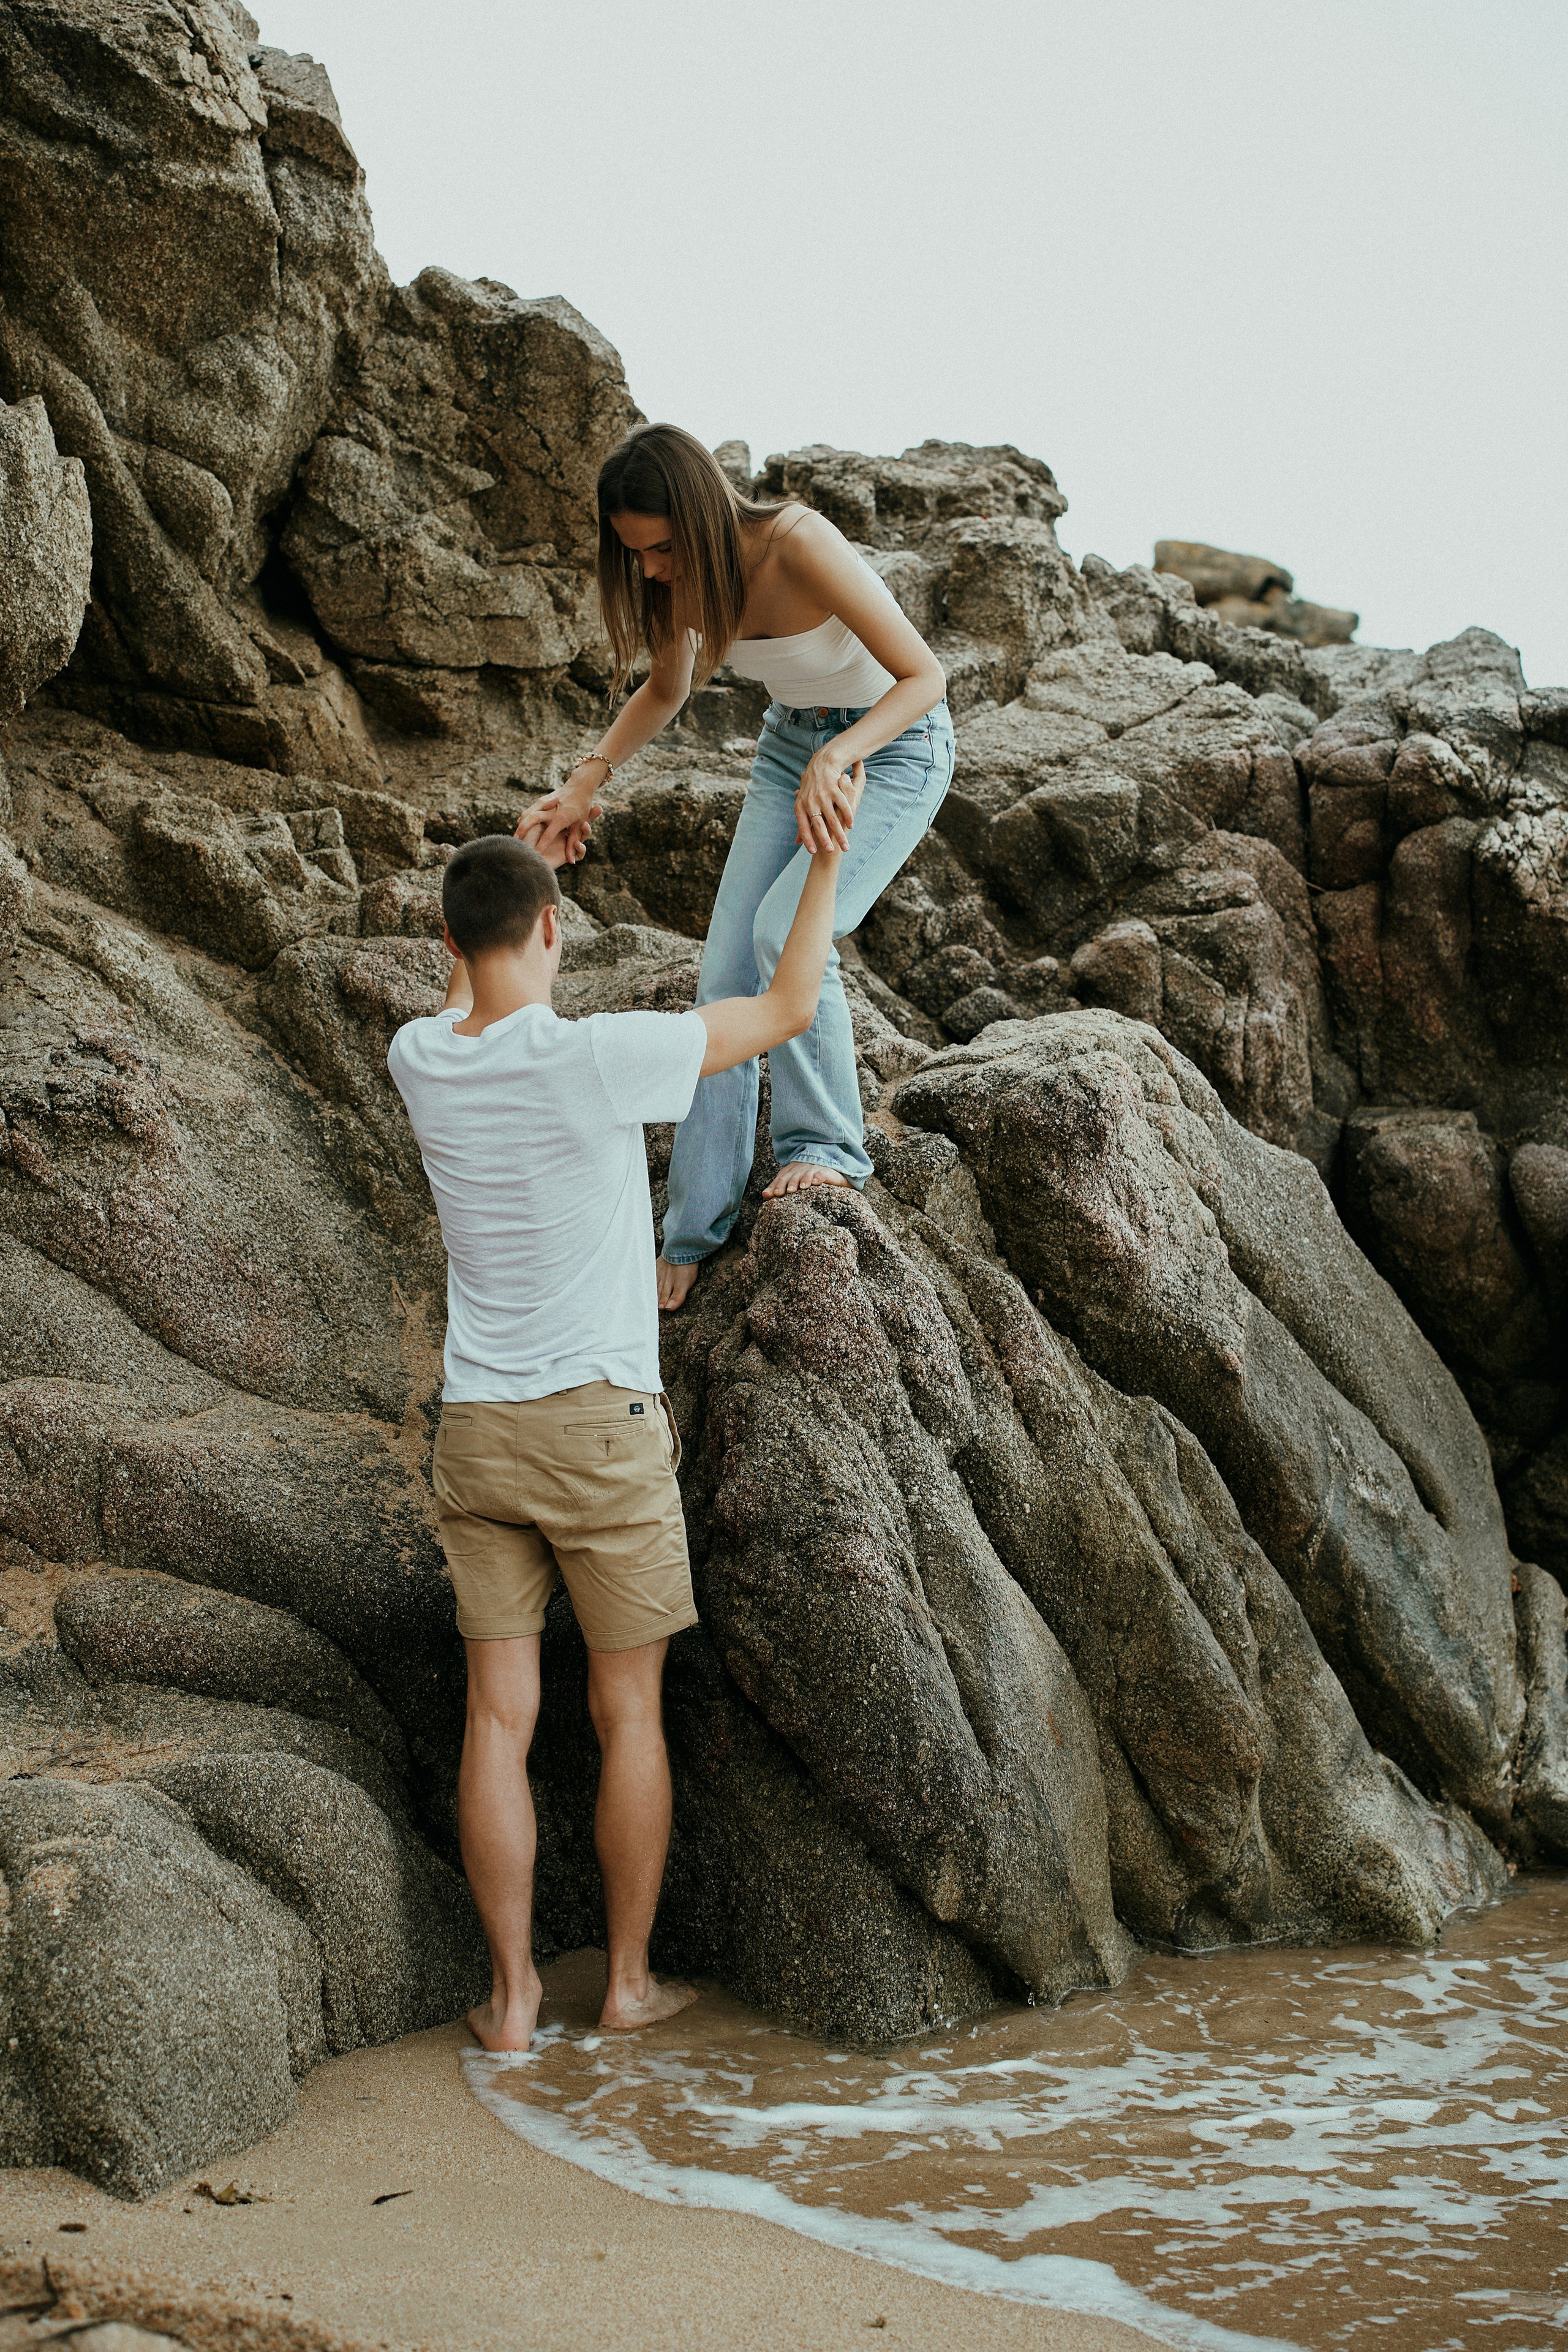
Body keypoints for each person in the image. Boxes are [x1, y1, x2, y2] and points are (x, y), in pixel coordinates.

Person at [386, 802, 860, 2052]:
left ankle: (511, 1999)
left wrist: (503, 901)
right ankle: (632, 1982)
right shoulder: (592, 1056)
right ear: (553, 932)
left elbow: (466, 973)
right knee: (624, 1713)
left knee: (501, 1716)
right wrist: (818, 868)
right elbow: (786, 1011)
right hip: (597, 1424)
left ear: (449, 938)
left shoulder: (417, 1057)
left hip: (478, 1430)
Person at [518, 423, 954, 1314]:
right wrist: (580, 785)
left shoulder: (799, 545)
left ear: (705, 516)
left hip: (895, 749)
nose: (651, 570)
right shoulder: (676, 576)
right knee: (723, 974)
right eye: (635, 554)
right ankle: (694, 1225)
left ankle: (827, 1150)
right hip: (791, 745)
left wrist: (844, 758)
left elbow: (923, 678)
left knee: (784, 934)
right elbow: (667, 688)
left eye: (664, 548)